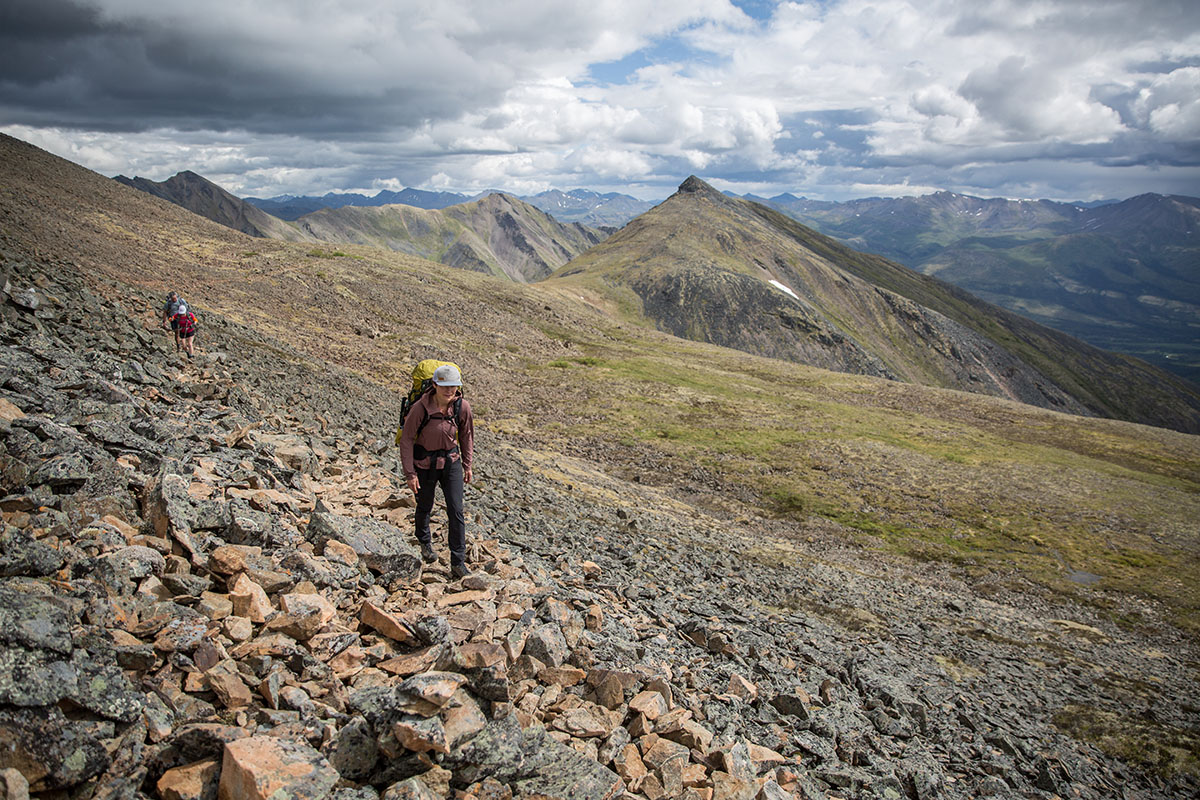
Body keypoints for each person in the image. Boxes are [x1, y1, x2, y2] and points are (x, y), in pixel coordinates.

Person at [398, 364, 474, 578]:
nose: (449, 391)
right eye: (444, 386)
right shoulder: (420, 409)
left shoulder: (462, 407)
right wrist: (410, 474)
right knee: (424, 505)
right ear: (434, 385)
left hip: (451, 463)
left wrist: (467, 465)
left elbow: (467, 435)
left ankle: (458, 562)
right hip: (424, 464)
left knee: (456, 511)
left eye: (453, 386)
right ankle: (424, 542)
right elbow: (406, 440)